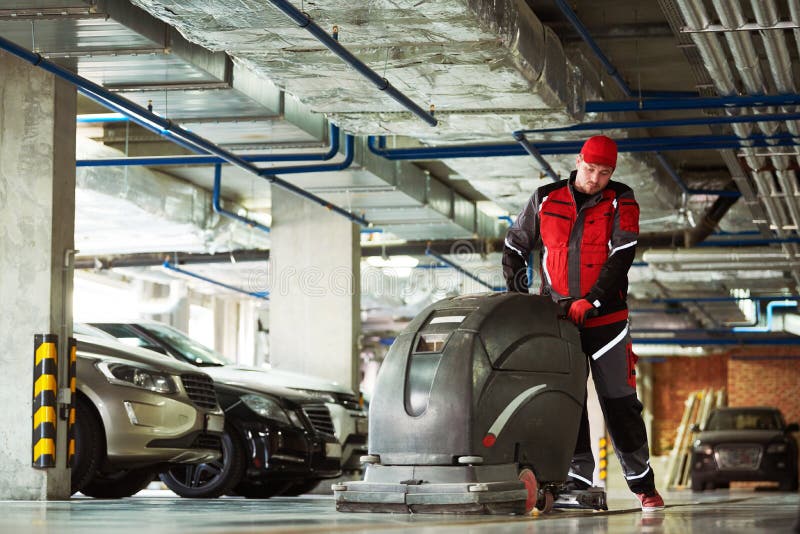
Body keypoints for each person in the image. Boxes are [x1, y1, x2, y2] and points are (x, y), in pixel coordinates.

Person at [502, 135, 665, 512]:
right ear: (578, 161)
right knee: (566, 402)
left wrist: (591, 300)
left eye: (604, 172)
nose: (595, 178)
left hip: (607, 322)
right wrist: (522, 297)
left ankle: (644, 486)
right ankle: (576, 477)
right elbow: (515, 246)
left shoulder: (621, 200)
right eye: (590, 169)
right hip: (559, 322)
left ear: (613, 173)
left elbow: (622, 253)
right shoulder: (545, 197)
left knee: (620, 404)